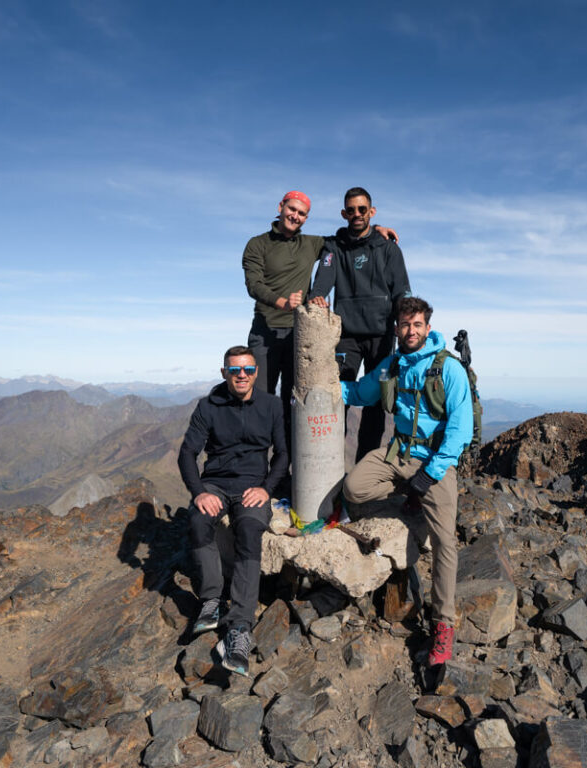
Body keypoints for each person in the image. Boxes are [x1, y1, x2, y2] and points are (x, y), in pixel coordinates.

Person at [341, 296, 471, 666]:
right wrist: (323, 388)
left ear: (427, 328)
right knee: (354, 488)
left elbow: (460, 431)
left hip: (434, 460)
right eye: (404, 325)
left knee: (446, 541)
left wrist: (428, 476)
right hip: (397, 453)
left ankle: (443, 623)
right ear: (396, 328)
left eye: (417, 325)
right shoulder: (393, 364)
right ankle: (408, 505)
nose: (410, 331)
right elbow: (360, 392)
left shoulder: (448, 369)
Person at [242, 190, 397, 466]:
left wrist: (376, 230)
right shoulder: (257, 244)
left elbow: (348, 237)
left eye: (302, 214)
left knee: (295, 404)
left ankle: (286, 471)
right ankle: (255, 470)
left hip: (299, 337)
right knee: (262, 404)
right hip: (265, 335)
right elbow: (253, 285)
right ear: (280, 207)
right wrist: (282, 302)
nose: (295, 216)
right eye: (292, 210)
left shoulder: (312, 244)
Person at [177, 346, 287, 677]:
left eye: (248, 370)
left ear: (256, 373)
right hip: (215, 483)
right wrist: (198, 493)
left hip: (253, 485)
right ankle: (211, 599)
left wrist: (266, 488)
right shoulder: (208, 406)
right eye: (235, 369)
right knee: (198, 521)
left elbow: (282, 454)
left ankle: (239, 626)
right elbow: (187, 454)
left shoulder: (271, 405)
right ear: (224, 372)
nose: (242, 375)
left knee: (249, 532)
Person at [310, 187, 412, 462]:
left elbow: (401, 289)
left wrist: (406, 323)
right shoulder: (334, 247)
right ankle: (329, 466)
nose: (357, 214)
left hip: (381, 336)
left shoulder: (389, 249)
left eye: (362, 209)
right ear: (344, 213)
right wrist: (317, 296)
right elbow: (323, 279)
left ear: (372, 212)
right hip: (347, 336)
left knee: (376, 402)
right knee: (338, 396)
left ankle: (362, 469)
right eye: (351, 210)